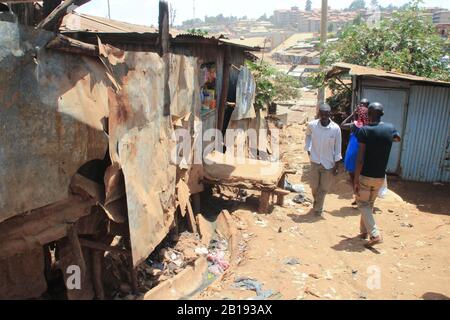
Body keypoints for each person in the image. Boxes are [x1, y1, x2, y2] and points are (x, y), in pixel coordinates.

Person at [354, 102, 401, 247]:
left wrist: (355, 179)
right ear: (382, 114)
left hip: (366, 176)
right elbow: (398, 139)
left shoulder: (365, 131)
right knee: (369, 205)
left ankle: (374, 234)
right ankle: (364, 232)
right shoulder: (390, 128)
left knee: (362, 204)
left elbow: (360, 159)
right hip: (380, 177)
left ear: (368, 115)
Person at [305, 103, 342, 216]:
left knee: (324, 188)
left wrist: (337, 164)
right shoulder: (312, 125)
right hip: (315, 161)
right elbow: (308, 136)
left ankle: (318, 209)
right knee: (314, 187)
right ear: (319, 114)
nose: (324, 116)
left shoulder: (335, 129)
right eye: (322, 114)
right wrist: (308, 148)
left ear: (330, 114)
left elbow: (338, 147)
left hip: (328, 163)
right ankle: (317, 203)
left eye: (326, 114)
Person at [341, 99, 370, 205]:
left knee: (354, 177)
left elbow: (342, 125)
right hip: (364, 153)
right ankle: (360, 198)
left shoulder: (355, 125)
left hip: (353, 152)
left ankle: (358, 197)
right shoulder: (370, 125)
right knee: (362, 178)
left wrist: (352, 115)